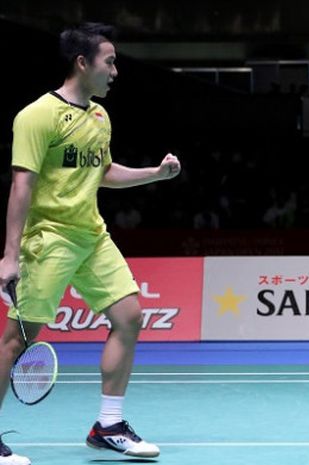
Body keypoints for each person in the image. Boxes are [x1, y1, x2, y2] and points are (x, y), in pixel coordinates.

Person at [0, 23, 181, 464]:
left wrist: (152, 175)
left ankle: (109, 426)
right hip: (50, 240)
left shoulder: (99, 117)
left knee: (130, 316)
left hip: (91, 236)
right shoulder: (36, 116)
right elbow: (21, 185)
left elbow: (102, 173)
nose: (116, 71)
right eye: (110, 61)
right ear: (82, 63)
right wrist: (10, 255)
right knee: (16, 340)